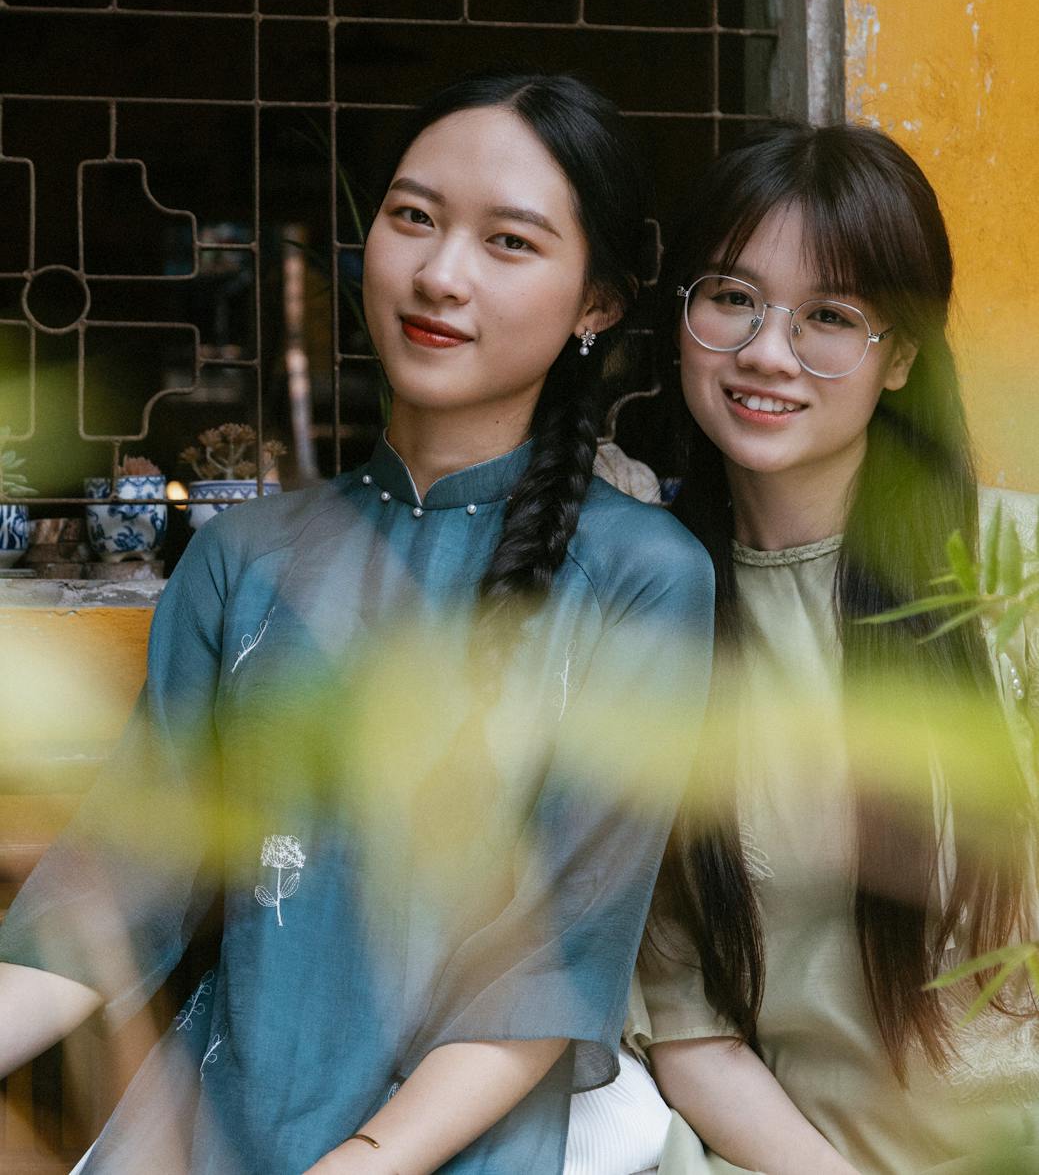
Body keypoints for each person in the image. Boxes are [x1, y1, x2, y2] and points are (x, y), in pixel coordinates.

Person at [0, 72, 714, 1174]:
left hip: (453, 1150)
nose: (439, 273)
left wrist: (366, 1160)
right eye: (412, 217)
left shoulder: (642, 578)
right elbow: (127, 877)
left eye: (509, 243)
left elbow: (556, 962)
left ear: (597, 303)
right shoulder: (244, 557)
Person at [630, 121, 1038, 1174]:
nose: (767, 352)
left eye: (828, 316)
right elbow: (685, 1020)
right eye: (731, 298)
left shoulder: (1015, 573)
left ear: (898, 355)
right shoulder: (651, 615)